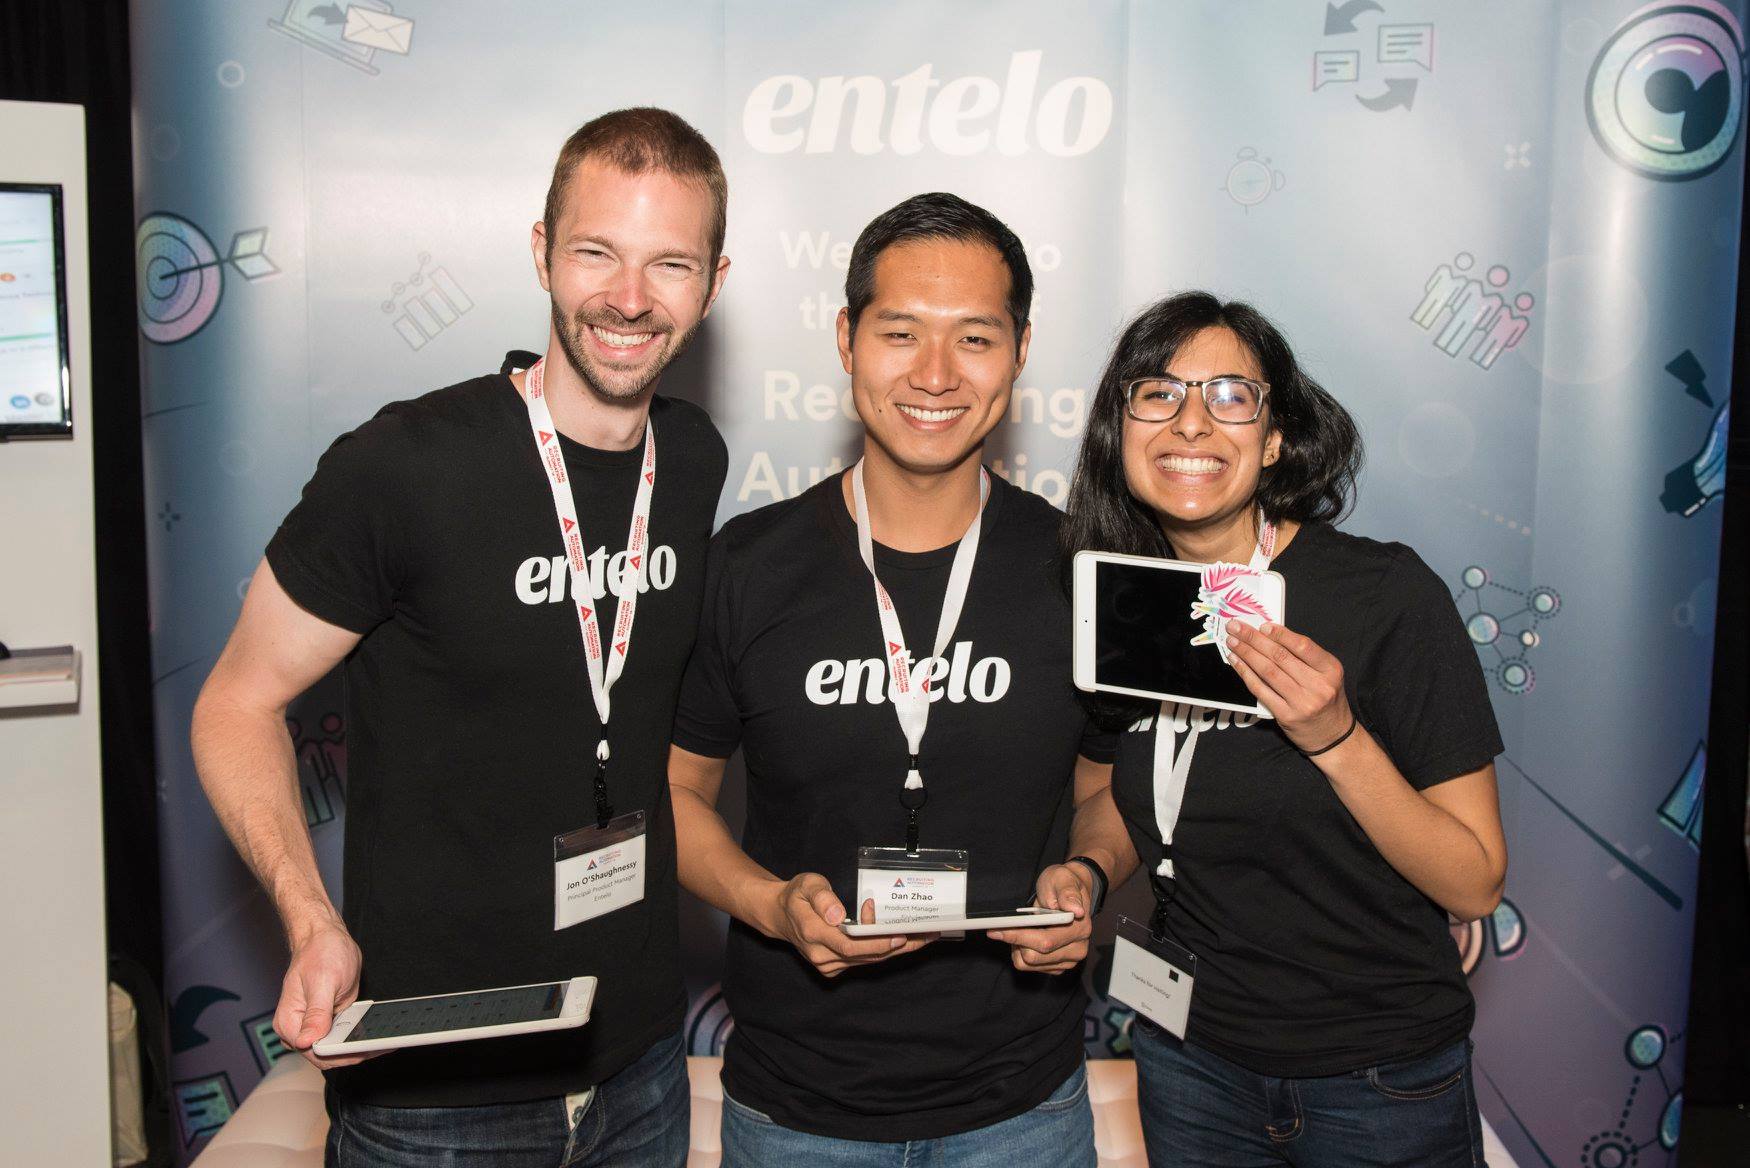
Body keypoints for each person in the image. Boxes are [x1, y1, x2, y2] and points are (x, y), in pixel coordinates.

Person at [190, 107, 731, 1167]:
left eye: (669, 263)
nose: (629, 298)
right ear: (541, 251)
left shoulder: (695, 460)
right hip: (434, 1091)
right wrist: (309, 918)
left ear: (713, 281)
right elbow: (235, 702)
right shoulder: (404, 467)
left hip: (639, 1068)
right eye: (596, 252)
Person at [667, 192, 1134, 1166]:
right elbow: (674, 793)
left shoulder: (1082, 573)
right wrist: (769, 904)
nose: (934, 373)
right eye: (900, 332)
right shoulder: (749, 566)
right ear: (846, 339)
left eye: (974, 337)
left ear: (1020, 350)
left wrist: (1089, 875)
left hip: (1023, 1111)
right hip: (796, 1114)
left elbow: (1110, 789)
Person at [1062, 291, 1508, 1167]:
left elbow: (1475, 883)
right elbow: (1104, 791)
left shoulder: (1382, 595)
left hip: (1377, 1079)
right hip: (1190, 1063)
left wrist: (1337, 738)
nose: (1192, 422)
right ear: (1120, 432)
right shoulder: (1120, 602)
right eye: (1158, 393)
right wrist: (1087, 868)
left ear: (1273, 440)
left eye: (1231, 396)